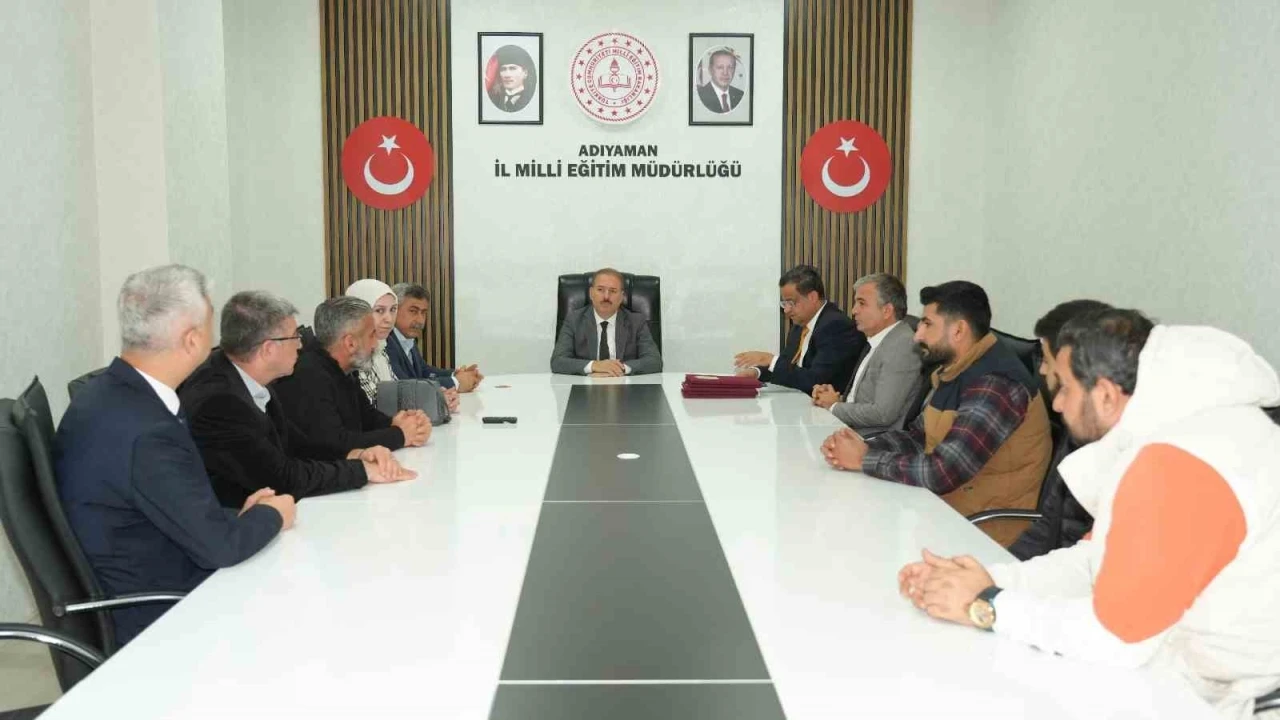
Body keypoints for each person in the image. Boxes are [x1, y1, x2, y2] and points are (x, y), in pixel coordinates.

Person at [897, 310, 1280, 719]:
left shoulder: (1180, 461)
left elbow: (1118, 638)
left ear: (1106, 395)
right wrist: (992, 579)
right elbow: (1094, 562)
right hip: (1190, 675)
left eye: (1064, 387)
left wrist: (987, 605)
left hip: (1231, 701)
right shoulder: (1180, 428)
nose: (1057, 403)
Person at [54, 265, 295, 644]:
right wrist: (273, 514)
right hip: (163, 620)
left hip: (156, 575)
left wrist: (240, 516)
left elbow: (175, 509)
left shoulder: (112, 395)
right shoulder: (147, 429)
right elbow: (220, 548)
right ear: (191, 339)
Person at [821, 281, 1051, 547]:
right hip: (944, 511)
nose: (917, 335)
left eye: (927, 324)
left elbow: (943, 471)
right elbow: (918, 436)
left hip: (983, 532)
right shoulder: (955, 370)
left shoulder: (996, 384)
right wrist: (861, 446)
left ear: (958, 331)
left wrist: (865, 459)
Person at [180, 291, 416, 509]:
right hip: (233, 522)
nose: (301, 344)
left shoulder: (254, 378)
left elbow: (298, 444)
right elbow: (283, 477)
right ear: (268, 349)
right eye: (294, 336)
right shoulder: (220, 402)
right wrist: (361, 471)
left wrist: (354, 455)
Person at [1005, 299, 1111, 561]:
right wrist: (998, 572)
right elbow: (1046, 525)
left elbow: (1079, 562)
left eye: (1045, 358)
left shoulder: (1111, 447)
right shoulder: (1077, 430)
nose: (1042, 369)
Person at [273, 296, 432, 457]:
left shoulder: (346, 368)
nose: (375, 344)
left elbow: (367, 417)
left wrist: (397, 423)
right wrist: (400, 435)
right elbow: (334, 444)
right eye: (372, 335)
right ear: (350, 343)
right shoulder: (308, 376)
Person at [811, 273, 922, 435]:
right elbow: (863, 399)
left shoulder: (902, 346)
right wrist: (832, 397)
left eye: (861, 303)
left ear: (886, 310)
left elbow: (882, 414)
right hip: (852, 430)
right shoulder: (877, 340)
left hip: (873, 439)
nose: (854, 311)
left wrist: (834, 406)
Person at [735, 264, 865, 395]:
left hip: (825, 406)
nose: (786, 310)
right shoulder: (799, 326)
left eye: (791, 303)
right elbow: (788, 370)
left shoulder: (836, 326)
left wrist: (771, 360)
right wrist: (756, 372)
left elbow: (815, 381)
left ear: (812, 297)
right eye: (784, 304)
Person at [345, 278, 458, 411]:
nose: (389, 319)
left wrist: (435, 396)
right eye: (379, 310)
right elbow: (375, 406)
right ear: (356, 313)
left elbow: (395, 392)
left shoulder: (381, 346)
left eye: (393, 310)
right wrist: (431, 400)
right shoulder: (352, 354)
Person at [550, 267, 663, 376]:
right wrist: (595, 366)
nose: (606, 296)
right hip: (585, 384)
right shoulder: (574, 320)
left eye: (613, 291)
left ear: (621, 297)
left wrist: (619, 368)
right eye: (600, 290)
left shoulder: (636, 322)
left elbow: (654, 361)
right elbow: (557, 361)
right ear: (591, 293)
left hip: (624, 383)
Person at [387, 282, 483, 392]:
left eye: (423, 312)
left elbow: (424, 371)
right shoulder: (385, 341)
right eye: (413, 311)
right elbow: (404, 386)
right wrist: (455, 382)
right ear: (393, 310)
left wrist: (454, 374)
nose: (420, 320)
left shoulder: (406, 337)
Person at [488, 44, 536, 113]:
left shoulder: (531, 99)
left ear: (525, 73)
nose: (507, 75)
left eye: (513, 68)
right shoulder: (494, 99)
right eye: (503, 69)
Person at [697, 48, 745, 114]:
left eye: (730, 67)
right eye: (720, 67)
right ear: (710, 70)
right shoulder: (700, 96)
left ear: (734, 70)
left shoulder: (740, 95)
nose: (725, 73)